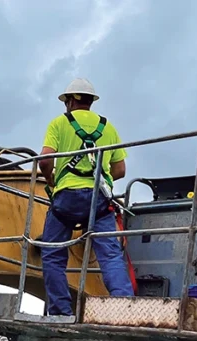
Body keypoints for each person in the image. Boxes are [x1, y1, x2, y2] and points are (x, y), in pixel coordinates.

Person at [37, 78, 134, 316]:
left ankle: (60, 311)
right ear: (91, 101)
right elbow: (120, 170)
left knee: (52, 254)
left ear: (69, 101)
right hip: (98, 200)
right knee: (110, 255)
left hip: (66, 199)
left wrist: (51, 180)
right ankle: (124, 305)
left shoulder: (59, 123)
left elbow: (45, 161)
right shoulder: (107, 127)